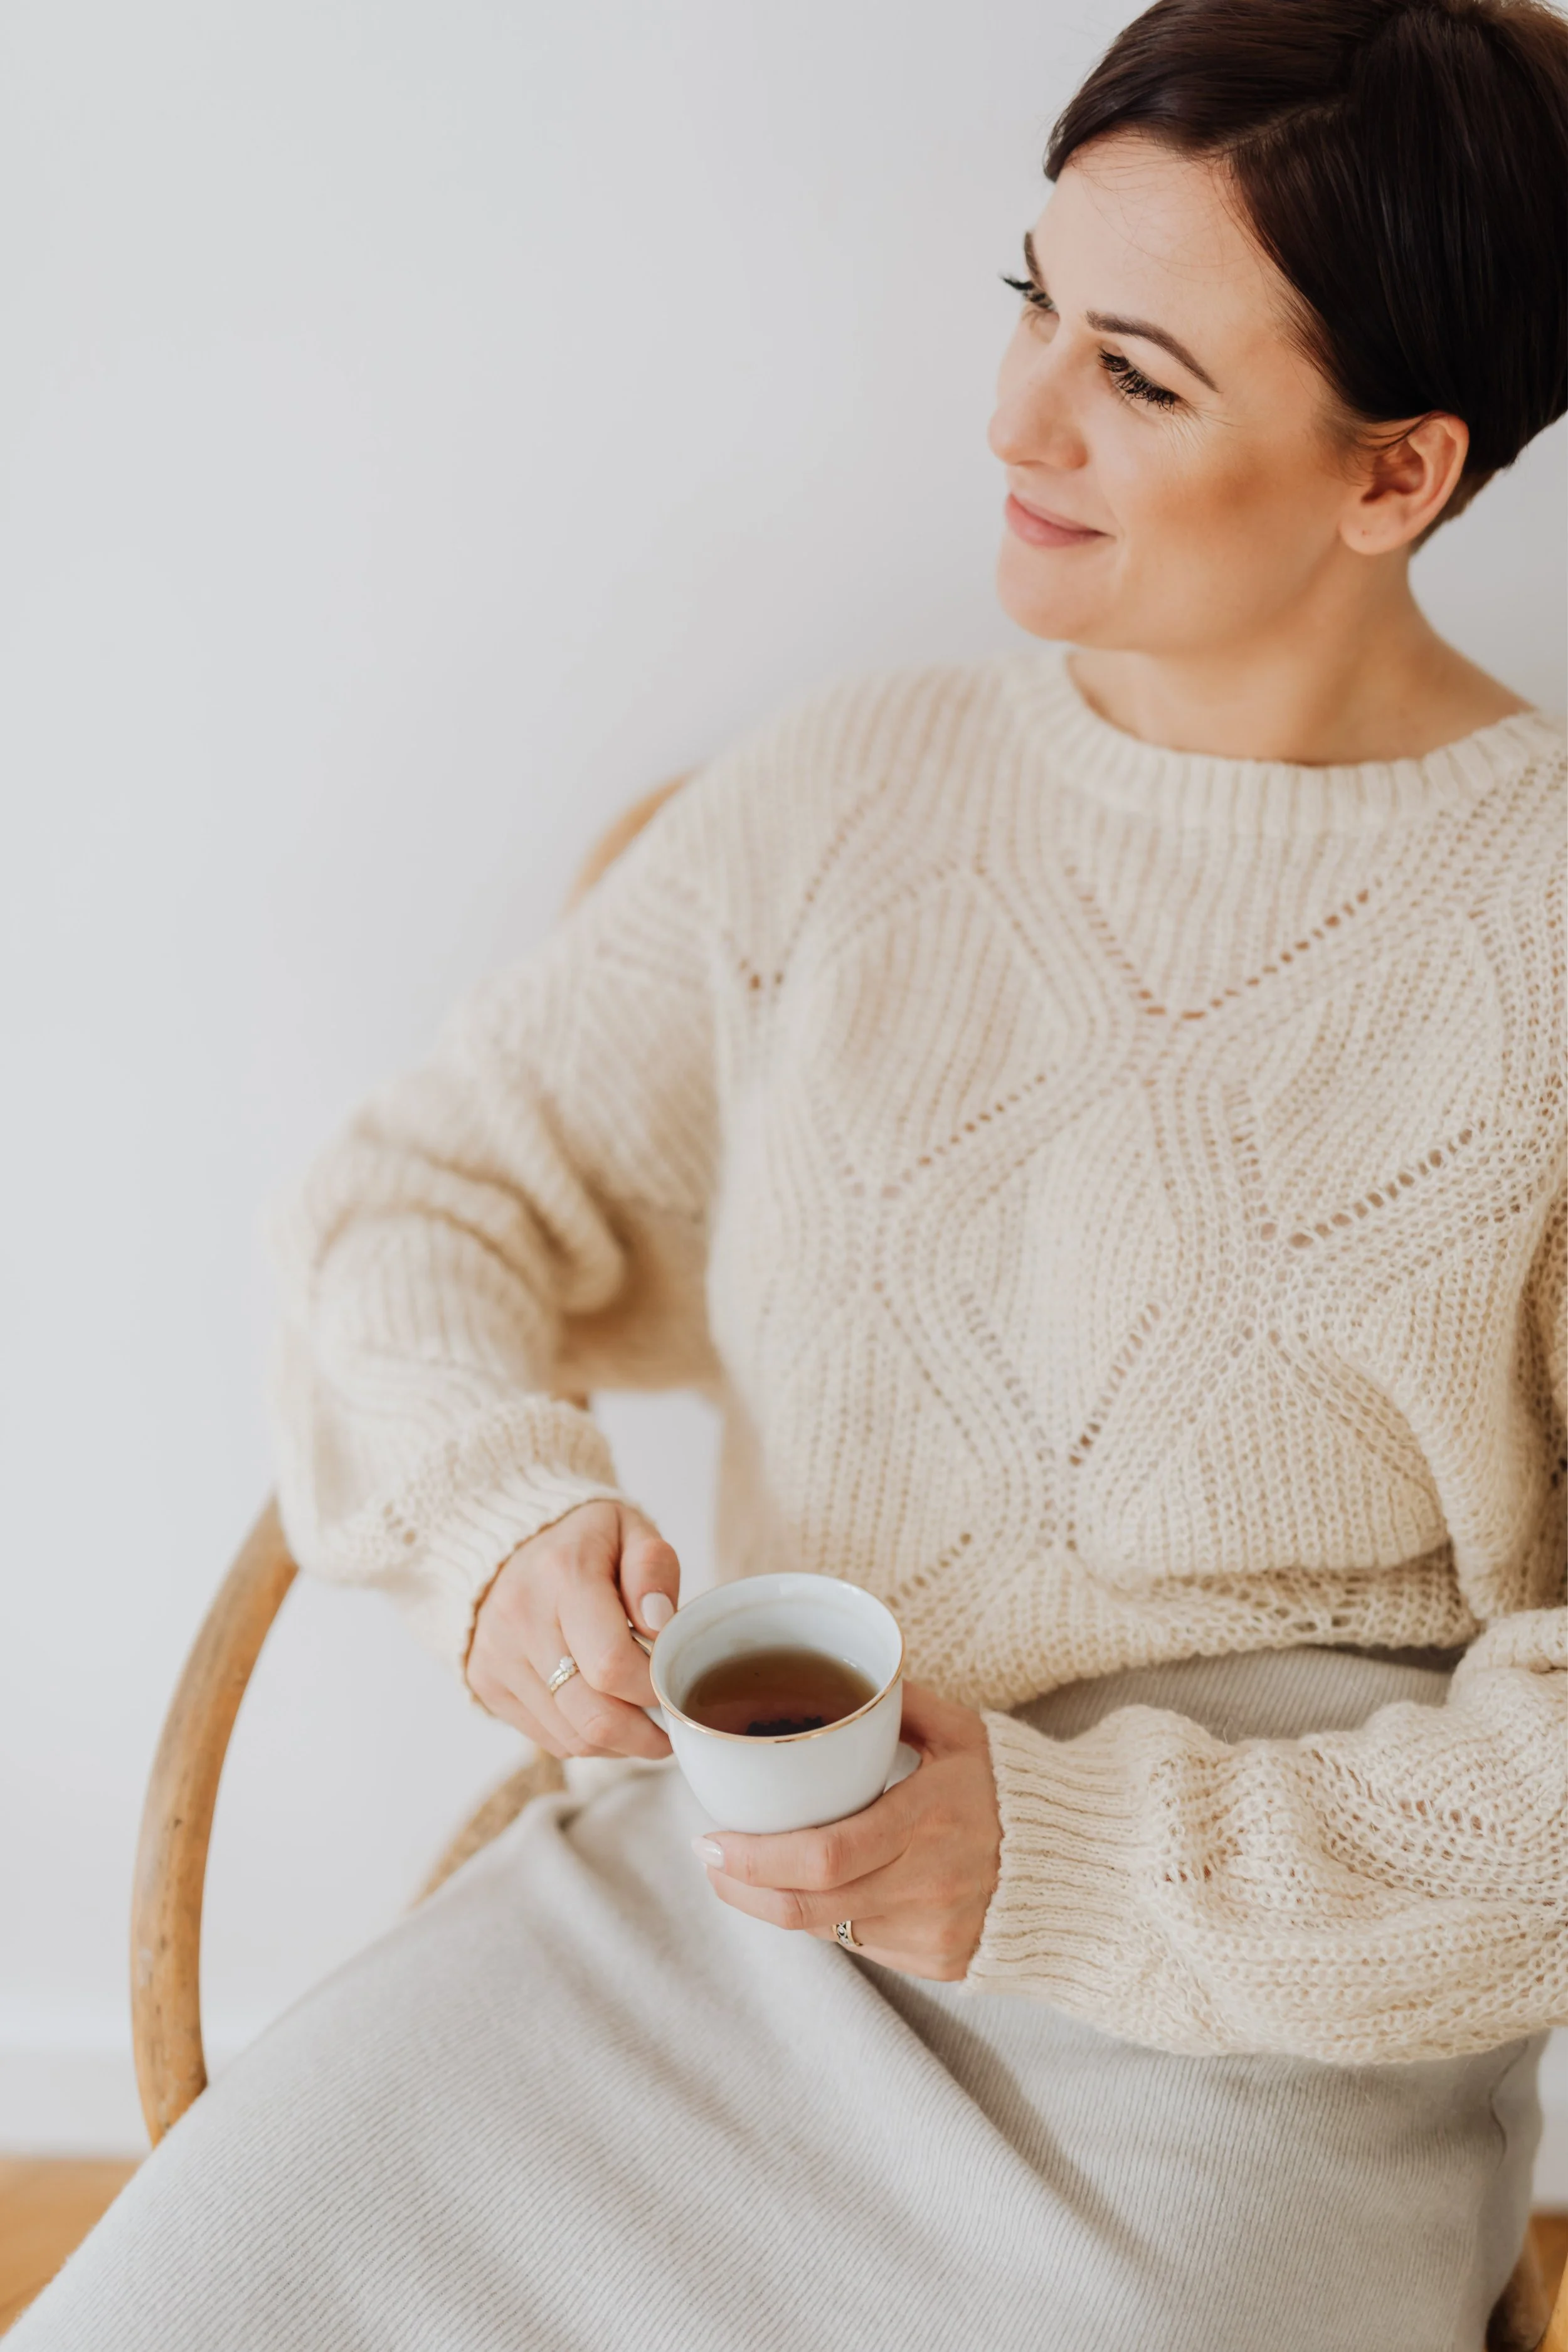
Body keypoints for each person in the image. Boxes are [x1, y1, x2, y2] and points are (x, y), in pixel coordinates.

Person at [19, 2, 1566, 2346]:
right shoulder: (846, 802)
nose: (1014, 418)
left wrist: (1063, 1857)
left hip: (1254, 2041)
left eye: (1136, 377)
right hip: (713, 1911)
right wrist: (499, 1517)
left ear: (1397, 472)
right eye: (1031, 301)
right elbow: (414, 1202)